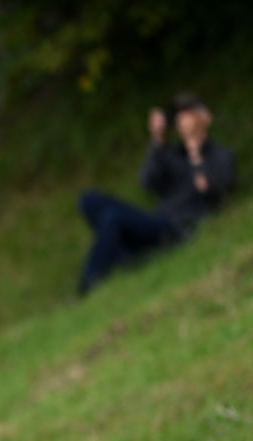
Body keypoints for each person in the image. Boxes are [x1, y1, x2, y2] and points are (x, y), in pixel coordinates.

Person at [76, 92, 235, 295]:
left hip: (179, 228)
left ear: (204, 118)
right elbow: (147, 183)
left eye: (189, 114)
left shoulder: (220, 155)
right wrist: (157, 141)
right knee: (89, 200)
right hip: (157, 221)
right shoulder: (172, 154)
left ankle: (88, 285)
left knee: (112, 218)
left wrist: (196, 153)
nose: (183, 121)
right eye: (180, 116)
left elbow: (211, 193)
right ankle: (128, 254)